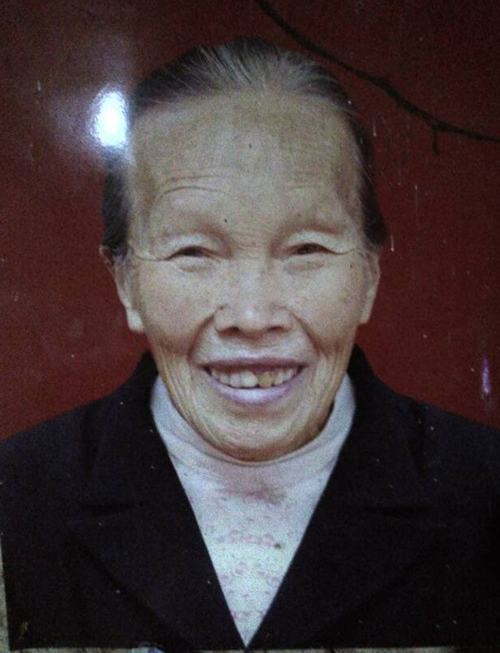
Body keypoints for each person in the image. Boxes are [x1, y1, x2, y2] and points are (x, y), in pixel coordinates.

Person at [0, 39, 499, 653]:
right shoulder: (16, 501)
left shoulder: (484, 493)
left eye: (307, 249)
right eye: (194, 252)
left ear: (368, 276)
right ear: (126, 282)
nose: (253, 316)